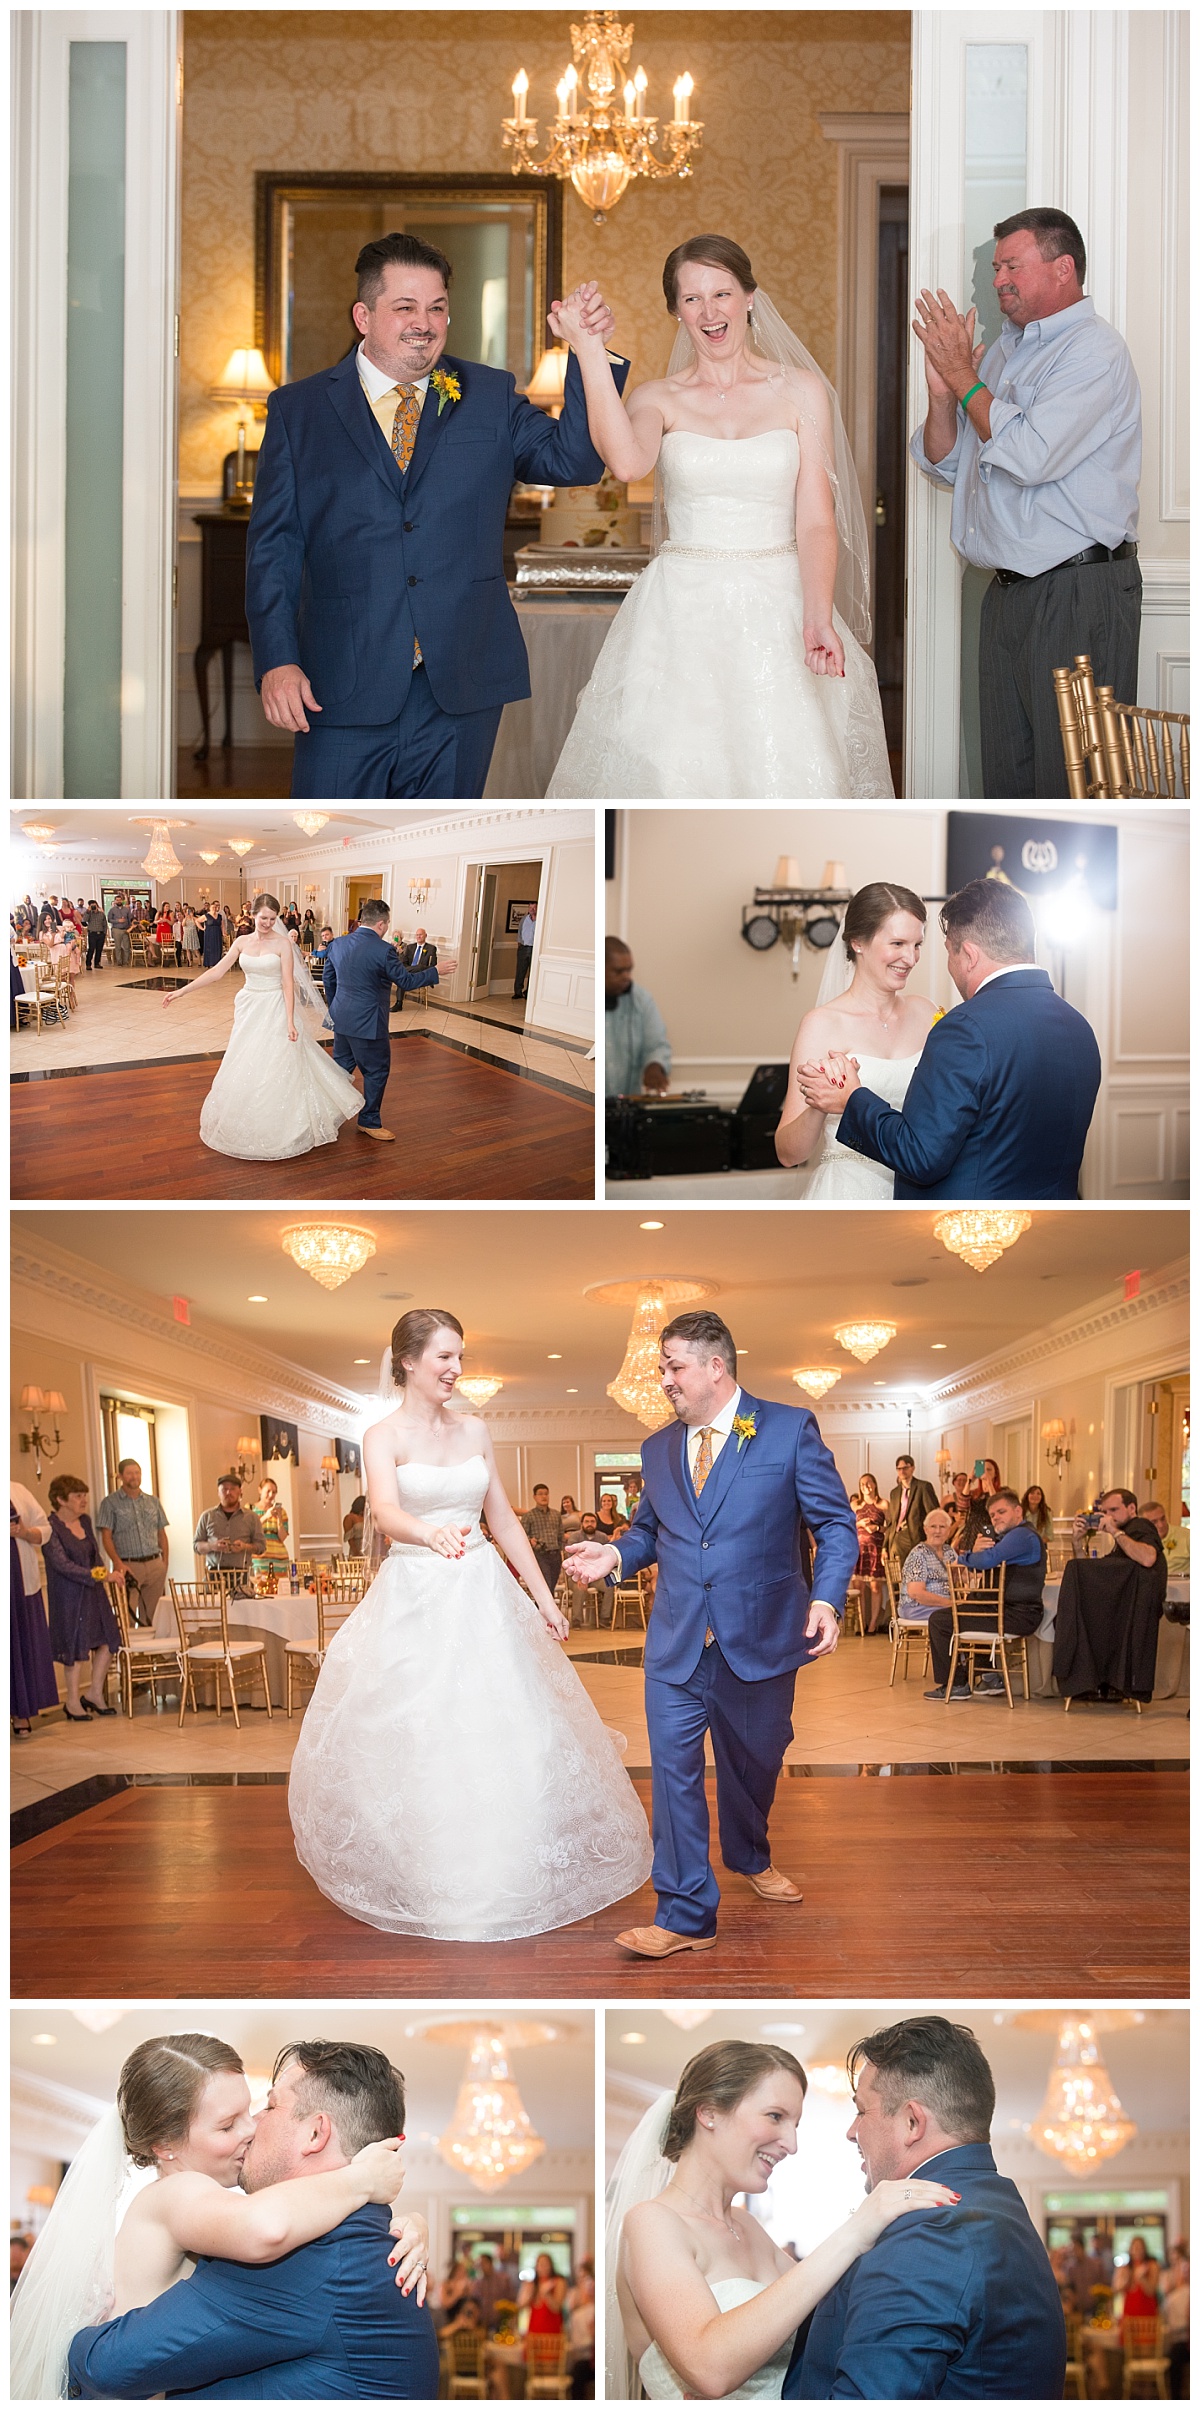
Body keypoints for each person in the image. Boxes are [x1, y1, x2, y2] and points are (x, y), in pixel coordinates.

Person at [288, 1308, 652, 1937]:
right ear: (407, 1361)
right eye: (444, 1357)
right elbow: (383, 1512)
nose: (457, 1369)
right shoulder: (382, 1436)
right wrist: (430, 1533)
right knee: (426, 1731)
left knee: (506, 1725)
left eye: (460, 1356)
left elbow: (503, 1520)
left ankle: (504, 1866)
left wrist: (542, 1597)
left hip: (483, 1592)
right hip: (416, 1592)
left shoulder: (477, 1429)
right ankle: (433, 1870)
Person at [246, 230, 629, 801]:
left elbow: (575, 461)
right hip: (340, 683)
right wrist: (278, 661)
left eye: (437, 307)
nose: (423, 322)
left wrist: (590, 352)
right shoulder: (297, 410)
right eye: (405, 307)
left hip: (461, 683)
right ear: (364, 315)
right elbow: (273, 548)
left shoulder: (490, 394)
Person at [546, 237, 892, 797]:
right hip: (679, 613)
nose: (709, 312)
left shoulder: (801, 391)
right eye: (691, 299)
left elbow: (816, 520)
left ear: (750, 298)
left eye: (722, 293)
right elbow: (627, 462)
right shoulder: (656, 397)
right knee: (675, 767)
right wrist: (587, 349)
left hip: (778, 605)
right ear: (677, 311)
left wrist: (818, 613)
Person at [566, 1309, 858, 1960]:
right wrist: (617, 1555)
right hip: (675, 1640)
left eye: (673, 1366)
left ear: (715, 1366)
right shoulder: (656, 1448)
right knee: (673, 1777)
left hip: (758, 1640)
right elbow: (651, 1530)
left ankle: (750, 1852)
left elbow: (836, 1527)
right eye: (661, 1367)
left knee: (753, 1765)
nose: (663, 1379)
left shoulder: (786, 1430)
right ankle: (686, 1913)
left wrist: (827, 1600)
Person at [14, 2031, 435, 2402]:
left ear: (315, 2133)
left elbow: (108, 2366)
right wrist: (363, 2181)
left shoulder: (313, 2250)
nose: (251, 2127)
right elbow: (264, 2225)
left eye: (266, 2107)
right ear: (166, 2143)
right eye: (228, 2124)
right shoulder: (191, 2197)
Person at [910, 209, 1141, 799]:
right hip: (1008, 595)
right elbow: (948, 463)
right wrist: (945, 394)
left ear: (1063, 268)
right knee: (1007, 778)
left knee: (1075, 785)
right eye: (995, 268)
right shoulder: (1000, 356)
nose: (997, 280)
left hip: (1077, 593)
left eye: (1012, 265)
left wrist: (964, 376)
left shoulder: (1095, 352)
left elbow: (1032, 454)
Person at [608, 2037, 957, 2400]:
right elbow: (709, 2369)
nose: (791, 2144)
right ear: (709, 2112)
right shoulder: (652, 2222)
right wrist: (856, 2228)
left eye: (795, 2124)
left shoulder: (748, 2228)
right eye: (775, 2116)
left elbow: (832, 2315)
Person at [786, 2016, 1066, 2398]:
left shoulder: (931, 2231)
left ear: (912, 2122)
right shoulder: (995, 2205)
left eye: (862, 2111)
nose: (851, 2131)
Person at [800, 878, 1101, 1199]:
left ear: (969, 955)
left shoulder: (966, 1027)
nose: (913, 959)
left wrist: (852, 1100)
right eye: (899, 944)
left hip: (971, 1229)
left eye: (945, 952)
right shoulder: (1079, 1028)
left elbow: (922, 1157)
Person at [163, 890, 363, 1159]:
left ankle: (288, 1123)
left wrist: (291, 1020)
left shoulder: (282, 944)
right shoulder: (242, 941)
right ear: (253, 915)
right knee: (246, 1059)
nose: (268, 923)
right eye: (263, 918)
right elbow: (217, 972)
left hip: (275, 1007)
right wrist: (182, 991)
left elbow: (288, 983)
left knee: (277, 1062)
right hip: (249, 1007)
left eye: (272, 918)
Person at [777, 886, 937, 1197]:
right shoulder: (822, 1024)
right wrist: (821, 1103)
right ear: (858, 942)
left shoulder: (928, 1012)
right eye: (897, 943)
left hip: (918, 1187)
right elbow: (788, 1153)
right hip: (847, 1190)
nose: (911, 958)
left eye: (917, 944)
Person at [320, 896, 442, 1142]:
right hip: (369, 1022)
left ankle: (326, 1115)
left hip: (341, 1019)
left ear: (361, 919)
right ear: (383, 924)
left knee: (342, 1068)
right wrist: (435, 971)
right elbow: (406, 982)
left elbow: (328, 979)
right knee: (376, 1070)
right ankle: (369, 1121)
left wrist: (336, 1007)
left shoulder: (338, 943)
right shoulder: (384, 950)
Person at [925, 1486, 1047, 1699]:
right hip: (1004, 1610)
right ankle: (990, 1678)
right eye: (992, 1515)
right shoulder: (1007, 1536)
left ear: (1018, 1511)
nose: (995, 1518)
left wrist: (965, 1557)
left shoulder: (1022, 1535)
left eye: (1002, 1512)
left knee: (940, 1621)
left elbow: (988, 1560)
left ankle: (956, 1684)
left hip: (1017, 1614)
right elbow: (980, 1565)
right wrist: (977, 1553)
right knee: (969, 1606)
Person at [43, 1475, 120, 1721]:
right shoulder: (50, 1528)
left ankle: (95, 1693)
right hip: (68, 1596)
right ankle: (73, 1701)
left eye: (84, 1495)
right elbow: (62, 1565)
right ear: (60, 1500)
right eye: (78, 1496)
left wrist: (104, 1573)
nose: (83, 1500)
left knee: (108, 1639)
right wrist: (99, 1575)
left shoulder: (85, 1522)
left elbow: (94, 1555)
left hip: (94, 1592)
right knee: (74, 1645)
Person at [96, 1456, 170, 1631]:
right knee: (127, 1613)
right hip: (128, 1565)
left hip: (154, 1563)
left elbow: (162, 1533)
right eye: (129, 1473)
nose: (134, 1476)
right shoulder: (110, 1503)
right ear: (120, 1476)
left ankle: (151, 1655)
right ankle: (131, 1655)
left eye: (137, 1472)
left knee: (153, 1614)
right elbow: (106, 1537)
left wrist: (164, 1562)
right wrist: (118, 1563)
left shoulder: (153, 1501)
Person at [10, 1483, 59, 1737]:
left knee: (19, 1645)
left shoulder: (17, 1490)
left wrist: (23, 1531)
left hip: (19, 1578)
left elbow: (45, 1529)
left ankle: (21, 1713)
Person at [605, 938, 672, 1096]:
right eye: (619, 971)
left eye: (629, 970)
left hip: (629, 1105)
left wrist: (654, 1066)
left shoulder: (642, 1000)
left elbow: (657, 1045)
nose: (627, 977)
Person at [194, 1474, 265, 1579]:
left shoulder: (251, 1518)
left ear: (239, 1491)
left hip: (242, 1575)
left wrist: (244, 1547)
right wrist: (212, 1546)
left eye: (232, 1489)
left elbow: (261, 1547)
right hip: (213, 1575)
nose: (228, 1492)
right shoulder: (207, 1516)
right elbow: (196, 1546)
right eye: (224, 1489)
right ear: (218, 1492)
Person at [898, 1507, 955, 1625]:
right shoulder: (918, 1554)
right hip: (917, 1607)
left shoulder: (949, 1551)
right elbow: (916, 1593)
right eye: (933, 1526)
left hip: (942, 1606)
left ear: (949, 1530)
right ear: (926, 1530)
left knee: (969, 1612)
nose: (937, 1531)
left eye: (942, 1527)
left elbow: (963, 1576)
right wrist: (951, 1603)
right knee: (955, 1616)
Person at [884, 1455, 941, 1565]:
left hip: (916, 1536)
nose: (902, 1471)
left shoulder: (923, 1487)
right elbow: (891, 1522)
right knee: (898, 1576)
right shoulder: (894, 1493)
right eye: (899, 1469)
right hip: (896, 1537)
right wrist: (884, 1547)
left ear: (912, 1468)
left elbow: (933, 1514)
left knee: (916, 1573)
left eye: (905, 1468)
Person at [521, 1483, 566, 1597]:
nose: (544, 1497)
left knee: (552, 1585)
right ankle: (546, 1613)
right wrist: (530, 1540)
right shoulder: (529, 1516)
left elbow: (561, 1535)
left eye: (546, 1494)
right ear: (534, 1497)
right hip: (539, 1555)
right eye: (540, 1494)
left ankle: (540, 1610)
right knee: (546, 1585)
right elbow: (522, 1535)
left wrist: (561, 1552)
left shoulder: (556, 1515)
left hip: (555, 1554)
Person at [520, 2251, 567, 2338]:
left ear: (551, 2266)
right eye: (540, 2264)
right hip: (534, 2331)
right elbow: (521, 2305)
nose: (543, 2267)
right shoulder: (533, 2284)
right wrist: (527, 2292)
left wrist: (547, 2294)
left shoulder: (558, 2281)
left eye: (546, 2264)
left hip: (552, 2332)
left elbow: (557, 2308)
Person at [1140, 1499, 1189, 1575]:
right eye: (1154, 1522)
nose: (1161, 1525)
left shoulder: (1187, 1535)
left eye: (1163, 1519)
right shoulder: (1138, 1540)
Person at [394, 925, 436, 1012]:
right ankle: (399, 1004)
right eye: (417, 935)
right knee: (403, 977)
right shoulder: (410, 947)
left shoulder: (431, 948)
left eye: (420, 935)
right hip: (409, 972)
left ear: (425, 936)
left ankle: (403, 972)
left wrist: (418, 968)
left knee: (418, 967)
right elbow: (404, 962)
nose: (418, 936)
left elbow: (432, 965)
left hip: (421, 973)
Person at [256, 1475, 291, 1564]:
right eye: (268, 1491)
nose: (271, 1495)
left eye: (274, 1492)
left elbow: (282, 1537)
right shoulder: (249, 1510)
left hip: (279, 1559)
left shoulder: (282, 1511)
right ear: (260, 1490)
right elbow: (249, 1531)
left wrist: (279, 1517)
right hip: (258, 1559)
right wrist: (266, 1516)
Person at [514, 901, 537, 1000]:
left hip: (534, 948)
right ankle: (518, 992)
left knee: (532, 972)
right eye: (530, 908)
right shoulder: (524, 919)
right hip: (523, 947)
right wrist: (520, 943)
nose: (532, 910)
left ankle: (528, 992)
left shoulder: (540, 920)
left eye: (534, 908)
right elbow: (519, 932)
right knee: (520, 971)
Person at [106, 892, 133, 967]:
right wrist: (118, 921)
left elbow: (130, 919)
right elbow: (109, 920)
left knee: (126, 946)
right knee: (118, 947)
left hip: (125, 930)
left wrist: (130, 927)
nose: (118, 901)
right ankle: (119, 961)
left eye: (120, 900)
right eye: (117, 900)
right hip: (116, 929)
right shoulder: (112, 910)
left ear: (122, 901)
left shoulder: (126, 910)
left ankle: (126, 961)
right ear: (115, 901)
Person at [82, 901, 107, 972]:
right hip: (92, 934)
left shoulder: (101, 914)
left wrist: (104, 933)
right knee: (91, 949)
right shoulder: (89, 914)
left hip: (101, 933)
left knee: (99, 949)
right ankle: (88, 964)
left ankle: (97, 963)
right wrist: (88, 911)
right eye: (91, 906)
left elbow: (105, 924)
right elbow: (84, 920)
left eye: (94, 905)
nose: (93, 907)